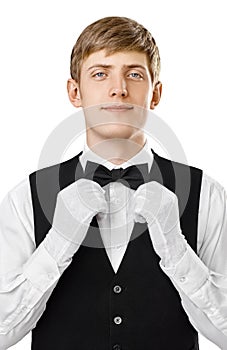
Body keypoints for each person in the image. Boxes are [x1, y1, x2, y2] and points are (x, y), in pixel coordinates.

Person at [0, 16, 227, 350]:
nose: (119, 88)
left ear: (156, 93)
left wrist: (176, 251)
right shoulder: (25, 198)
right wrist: (58, 242)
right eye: (100, 73)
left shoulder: (205, 194)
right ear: (74, 91)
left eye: (134, 74)